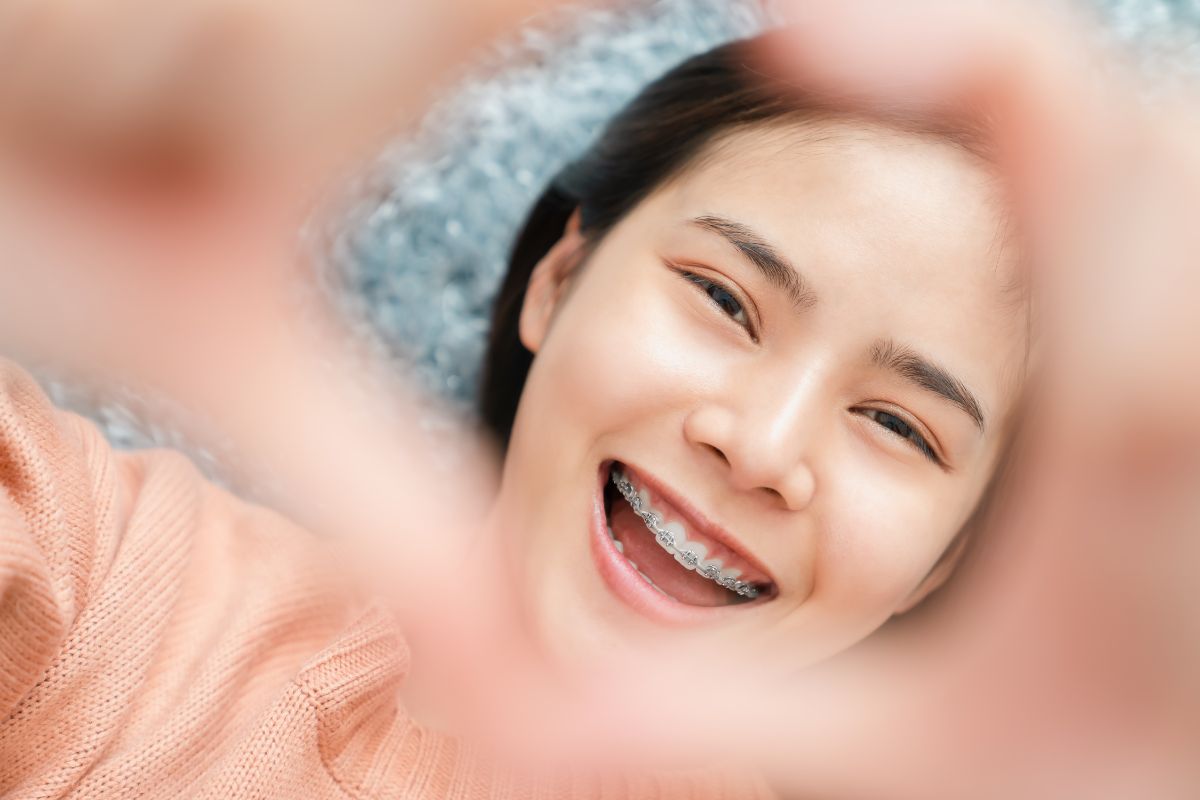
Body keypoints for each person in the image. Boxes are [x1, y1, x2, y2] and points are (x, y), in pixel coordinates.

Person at [0, 0, 1087, 791]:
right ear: (560, 280)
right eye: (725, 298)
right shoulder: (101, 573)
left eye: (899, 422)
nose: (761, 445)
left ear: (946, 558)